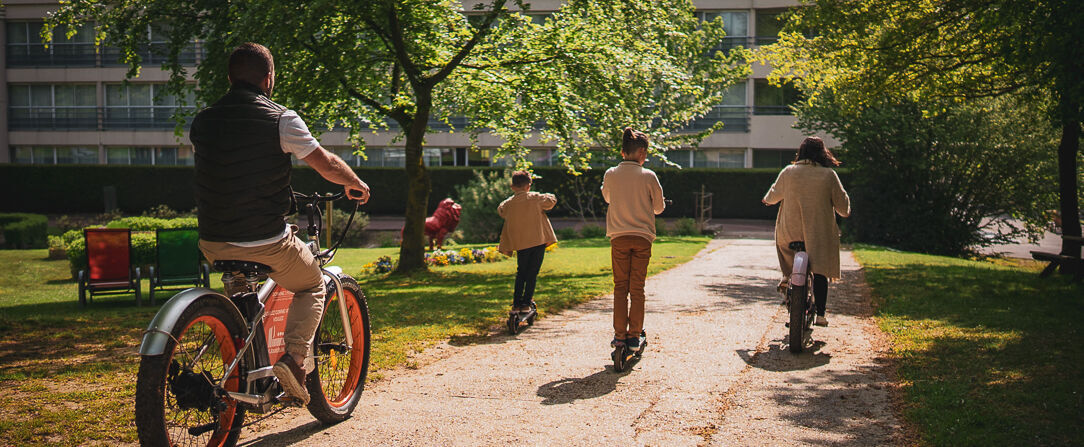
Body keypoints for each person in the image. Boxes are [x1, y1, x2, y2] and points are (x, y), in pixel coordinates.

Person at [190, 42, 370, 405]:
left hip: (212, 240)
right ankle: (295, 360)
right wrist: (355, 183)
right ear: (269, 78)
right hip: (264, 239)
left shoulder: (203, 121)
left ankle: (250, 369)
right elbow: (326, 162)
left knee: (243, 295)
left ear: (229, 78)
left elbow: (231, 167)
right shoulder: (281, 119)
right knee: (313, 284)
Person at [762, 136, 850, 326]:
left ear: (800, 152)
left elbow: (772, 196)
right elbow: (843, 207)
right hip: (818, 234)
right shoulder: (829, 175)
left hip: (790, 232)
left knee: (787, 255)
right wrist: (845, 209)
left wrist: (767, 200)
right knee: (820, 270)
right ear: (823, 153)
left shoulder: (788, 172)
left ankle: (787, 280)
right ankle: (821, 314)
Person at [601, 127, 666, 350]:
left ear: (622, 152)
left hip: (618, 235)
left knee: (620, 287)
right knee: (636, 288)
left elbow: (608, 197)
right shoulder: (649, 176)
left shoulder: (611, 174)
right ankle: (634, 334)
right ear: (641, 153)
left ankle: (619, 334)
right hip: (642, 237)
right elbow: (658, 208)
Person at [498, 171, 558, 314]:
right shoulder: (535, 198)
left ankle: (517, 302)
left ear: (512, 187)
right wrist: (549, 195)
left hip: (521, 244)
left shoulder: (509, 203)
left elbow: (501, 210)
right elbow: (551, 202)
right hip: (538, 241)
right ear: (528, 186)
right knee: (532, 273)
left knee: (521, 272)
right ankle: (526, 302)